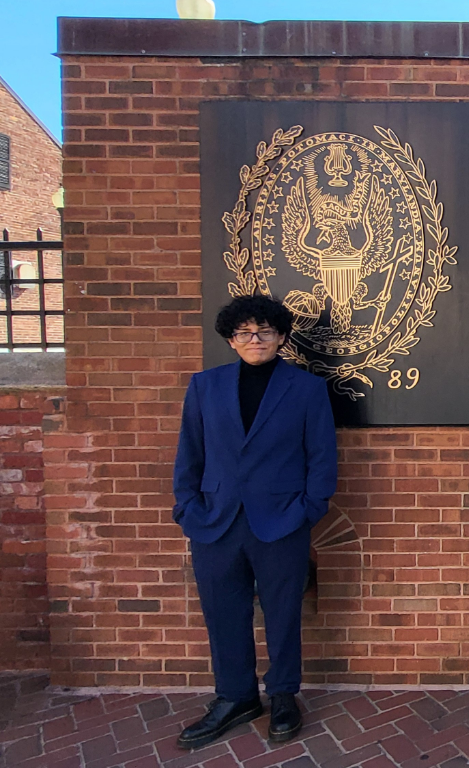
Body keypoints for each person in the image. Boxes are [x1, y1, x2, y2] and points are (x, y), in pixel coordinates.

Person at [172, 294, 338, 749]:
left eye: (265, 331)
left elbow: (321, 456)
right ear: (230, 338)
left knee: (283, 613)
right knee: (223, 613)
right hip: (215, 520)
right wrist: (187, 507)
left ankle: (283, 695)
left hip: (282, 521)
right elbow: (190, 452)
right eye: (244, 331)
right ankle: (235, 696)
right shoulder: (205, 387)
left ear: (282, 336)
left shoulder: (306, 389)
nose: (255, 339)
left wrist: (310, 508)